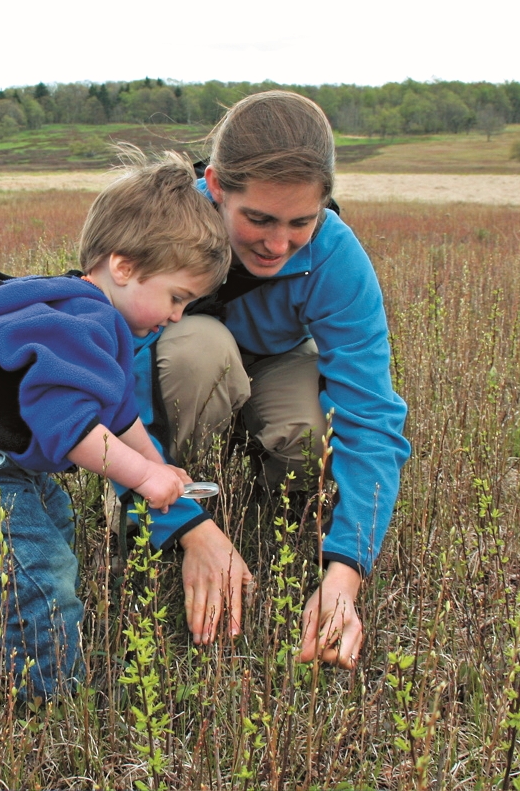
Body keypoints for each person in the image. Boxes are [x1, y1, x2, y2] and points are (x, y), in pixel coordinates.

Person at [0, 152, 236, 699]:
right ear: (123, 268)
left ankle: (45, 643)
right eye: (176, 297)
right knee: (40, 579)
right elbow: (70, 432)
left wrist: (158, 464)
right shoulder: (84, 323)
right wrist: (143, 480)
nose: (177, 317)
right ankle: (52, 703)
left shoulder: (97, 322)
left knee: (56, 522)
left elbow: (119, 416)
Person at [155, 90, 412, 669]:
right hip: (190, 358)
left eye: (302, 221)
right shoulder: (165, 226)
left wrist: (345, 575)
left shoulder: (337, 257)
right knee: (200, 354)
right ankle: (168, 500)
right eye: (259, 219)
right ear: (216, 186)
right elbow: (110, 390)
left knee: (304, 433)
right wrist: (190, 527)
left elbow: (371, 416)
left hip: (277, 359)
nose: (278, 244)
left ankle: (276, 503)